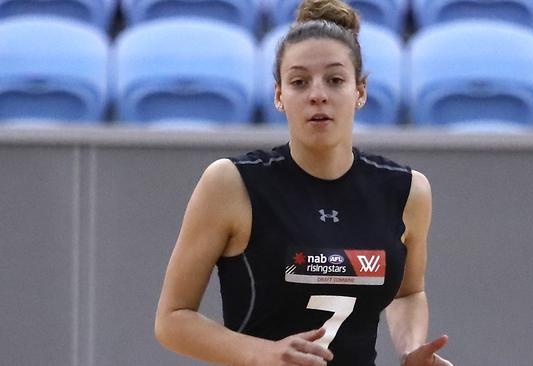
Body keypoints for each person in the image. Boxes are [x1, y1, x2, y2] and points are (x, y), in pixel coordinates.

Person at [154, 1, 454, 365]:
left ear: (360, 92)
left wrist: (410, 349)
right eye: (299, 82)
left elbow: (408, 293)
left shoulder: (407, 190)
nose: (317, 94)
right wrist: (264, 353)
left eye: (335, 80)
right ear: (279, 96)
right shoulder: (233, 183)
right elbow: (172, 320)